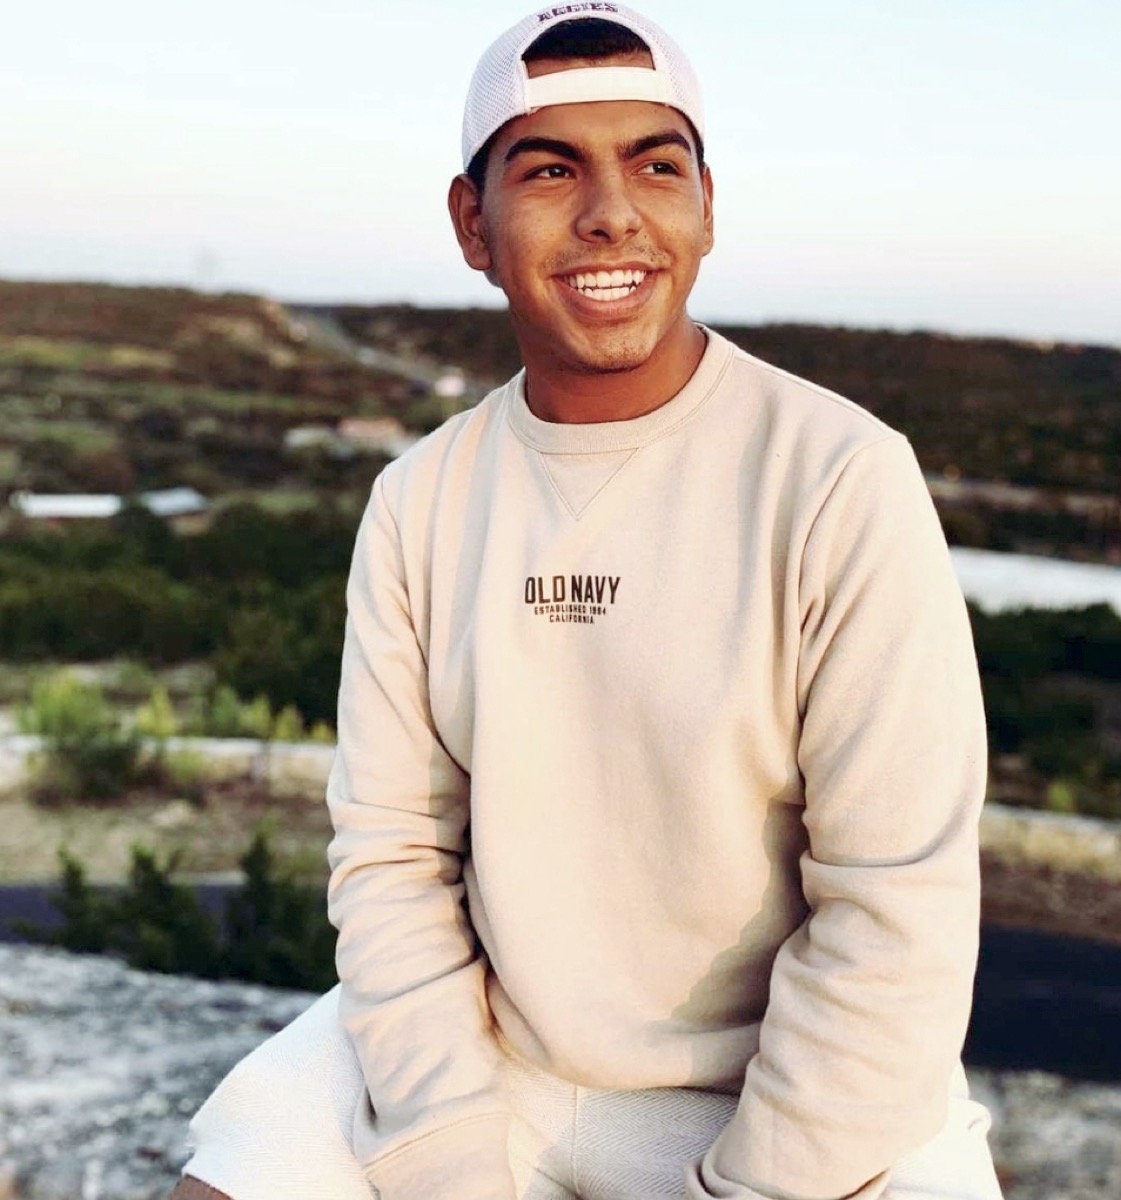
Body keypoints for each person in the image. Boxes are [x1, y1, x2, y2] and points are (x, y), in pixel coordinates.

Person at [171, 6, 1003, 1199]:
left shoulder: (836, 475)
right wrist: (448, 1161)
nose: (611, 212)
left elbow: (895, 907)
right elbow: (392, 857)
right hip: (489, 1065)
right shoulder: (420, 498)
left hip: (792, 1097)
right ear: (473, 222)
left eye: (654, 165)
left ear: (705, 206)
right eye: (551, 168)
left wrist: (757, 1186)